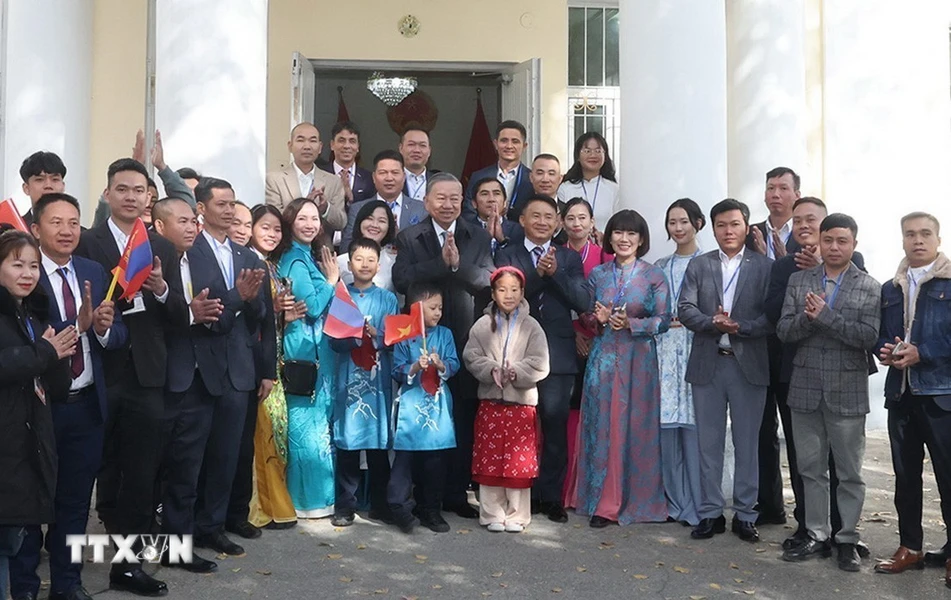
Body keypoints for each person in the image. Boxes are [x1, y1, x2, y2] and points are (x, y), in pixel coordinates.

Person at [75, 159, 188, 592]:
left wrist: (160, 288)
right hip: (98, 373)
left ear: (148, 197)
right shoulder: (88, 242)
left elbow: (180, 316)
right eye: (121, 189)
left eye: (138, 190)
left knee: (141, 474)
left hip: (146, 376)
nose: (130, 196)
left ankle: (127, 566)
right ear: (108, 195)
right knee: (90, 468)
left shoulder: (161, 246)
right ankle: (64, 557)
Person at [11, 194, 129, 600]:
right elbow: (31, 342)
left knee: (76, 504)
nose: (66, 231)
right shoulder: (22, 277)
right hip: (38, 410)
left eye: (74, 222)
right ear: (36, 228)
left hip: (86, 407)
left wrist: (101, 328)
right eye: (56, 222)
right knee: (28, 505)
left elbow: (116, 336)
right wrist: (76, 326)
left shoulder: (93, 271)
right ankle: (25, 586)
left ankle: (67, 583)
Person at [163, 177, 267, 562]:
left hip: (238, 367)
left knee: (227, 456)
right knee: (190, 461)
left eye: (232, 203)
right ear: (200, 209)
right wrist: (238, 298)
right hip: (199, 368)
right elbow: (209, 311)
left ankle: (213, 527)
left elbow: (261, 318)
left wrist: (250, 300)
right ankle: (179, 539)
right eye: (220, 203)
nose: (228, 210)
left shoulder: (247, 256)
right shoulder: (190, 251)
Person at [763, 196, 871, 554]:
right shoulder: (792, 275)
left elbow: (867, 335)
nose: (833, 246)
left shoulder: (864, 278)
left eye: (842, 241)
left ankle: (846, 537)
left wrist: (824, 316)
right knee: (808, 466)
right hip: (803, 381)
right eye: (828, 240)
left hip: (845, 385)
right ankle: (814, 531)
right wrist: (809, 319)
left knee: (847, 469)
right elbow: (780, 324)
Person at [392, 173, 494, 520]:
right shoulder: (410, 236)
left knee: (460, 418)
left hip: (463, 339)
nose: (448, 204)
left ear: (462, 199)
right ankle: (420, 498)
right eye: (441, 198)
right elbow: (402, 279)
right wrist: (441, 264)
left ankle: (454, 493)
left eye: (454, 198)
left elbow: (487, 281)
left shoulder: (477, 236)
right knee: (420, 417)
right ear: (427, 201)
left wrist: (458, 266)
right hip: (420, 341)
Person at [678, 199, 773, 543]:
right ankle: (710, 513)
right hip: (709, 362)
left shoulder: (764, 267)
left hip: (748, 365)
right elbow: (685, 308)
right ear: (712, 227)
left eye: (734, 224)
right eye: (721, 225)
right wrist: (711, 323)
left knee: (747, 443)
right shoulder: (699, 266)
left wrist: (740, 327)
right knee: (709, 444)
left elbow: (771, 318)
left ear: (746, 227)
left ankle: (746, 514)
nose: (728, 231)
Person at [569, 209, 669, 527]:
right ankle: (599, 501)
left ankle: (631, 500)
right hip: (603, 358)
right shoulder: (598, 275)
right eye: (619, 233)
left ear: (641, 239)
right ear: (609, 236)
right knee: (601, 425)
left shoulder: (653, 275)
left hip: (638, 359)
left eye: (631, 234)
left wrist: (633, 323)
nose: (624, 239)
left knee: (634, 427)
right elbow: (585, 314)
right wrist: (595, 320)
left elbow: (664, 320)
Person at [495, 195, 590, 523]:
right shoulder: (506, 252)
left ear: (558, 222)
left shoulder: (568, 257)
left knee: (554, 423)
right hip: (516, 351)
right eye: (535, 216)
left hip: (558, 353)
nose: (542, 222)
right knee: (519, 426)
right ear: (521, 220)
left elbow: (583, 300)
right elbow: (506, 298)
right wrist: (536, 274)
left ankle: (551, 497)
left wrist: (555, 275)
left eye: (549, 217)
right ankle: (521, 494)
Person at [873, 212, 951, 591]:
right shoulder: (891, 287)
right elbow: (881, 335)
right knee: (905, 477)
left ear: (938, 238)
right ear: (902, 240)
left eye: (925, 234)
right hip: (900, 393)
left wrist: (925, 352)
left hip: (940, 394)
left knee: (948, 476)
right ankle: (911, 546)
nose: (917, 240)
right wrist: (885, 351)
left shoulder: (949, 283)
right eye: (910, 235)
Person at [0, 229, 74, 600]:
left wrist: (58, 355)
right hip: (8, 442)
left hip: (28, 436)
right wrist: (46, 352)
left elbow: (50, 379)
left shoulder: (30, 310)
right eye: (17, 265)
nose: (27, 273)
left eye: (33, 265)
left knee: (16, 532)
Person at [463, 266, 550, 533]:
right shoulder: (481, 325)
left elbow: (541, 362)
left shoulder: (532, 326)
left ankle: (517, 514)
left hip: (521, 405)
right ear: (493, 293)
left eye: (514, 290)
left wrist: (517, 372)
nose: (508, 295)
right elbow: (471, 356)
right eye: (502, 290)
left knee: (518, 462)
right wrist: (491, 370)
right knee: (489, 459)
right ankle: (491, 512)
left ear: (523, 293)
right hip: (491, 403)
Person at [275, 198, 340, 519]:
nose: (310, 224)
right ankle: (307, 501)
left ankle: (317, 499)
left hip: (312, 350)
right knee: (306, 429)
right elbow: (312, 306)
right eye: (302, 218)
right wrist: (331, 281)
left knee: (315, 427)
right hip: (303, 352)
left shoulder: (306, 256)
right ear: (290, 222)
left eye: (315, 218)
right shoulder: (296, 261)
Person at [330, 238, 399, 527]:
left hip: (377, 382)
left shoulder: (388, 299)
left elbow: (396, 339)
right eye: (359, 259)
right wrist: (354, 336)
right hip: (349, 380)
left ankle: (380, 504)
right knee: (348, 443)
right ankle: (346, 505)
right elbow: (334, 340)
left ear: (379, 265)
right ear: (349, 263)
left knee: (378, 446)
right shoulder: (342, 296)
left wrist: (376, 336)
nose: (365, 265)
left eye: (371, 260)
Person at [751, 166, 804, 528]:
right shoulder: (750, 231)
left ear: (796, 195)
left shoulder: (810, 234)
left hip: (795, 349)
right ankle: (768, 505)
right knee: (760, 428)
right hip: (757, 343)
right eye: (771, 187)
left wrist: (780, 259)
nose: (775, 194)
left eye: (783, 188)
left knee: (798, 433)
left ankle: (807, 513)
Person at [245, 204, 301, 530]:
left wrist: (283, 313)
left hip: (273, 358)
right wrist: (274, 310)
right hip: (258, 361)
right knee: (264, 429)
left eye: (277, 229)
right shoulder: (253, 264)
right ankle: (261, 506)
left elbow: (274, 315)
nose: (271, 234)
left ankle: (273, 502)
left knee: (275, 431)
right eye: (264, 227)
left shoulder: (273, 266)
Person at [388, 282, 461, 533]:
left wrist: (441, 365)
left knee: (435, 458)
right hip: (411, 402)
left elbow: (454, 363)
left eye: (440, 308)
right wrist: (415, 367)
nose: (438, 313)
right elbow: (396, 369)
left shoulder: (445, 335)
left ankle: (431, 509)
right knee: (405, 458)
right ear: (416, 308)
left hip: (437, 404)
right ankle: (399, 506)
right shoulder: (405, 335)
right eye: (432, 308)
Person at [654, 198, 706, 526]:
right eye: (672, 222)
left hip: (696, 348)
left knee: (696, 428)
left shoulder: (709, 263)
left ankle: (700, 506)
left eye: (684, 221)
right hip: (662, 351)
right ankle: (674, 503)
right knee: (667, 430)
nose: (678, 228)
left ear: (697, 223)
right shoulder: (660, 266)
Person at [560, 197, 611, 506]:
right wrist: (573, 334)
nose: (577, 223)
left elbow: (607, 299)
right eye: (571, 218)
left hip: (600, 341)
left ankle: (594, 486)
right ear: (561, 222)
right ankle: (567, 486)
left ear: (593, 222)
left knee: (597, 416)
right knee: (567, 414)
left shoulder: (604, 256)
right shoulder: (558, 255)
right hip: (566, 341)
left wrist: (593, 332)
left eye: (583, 218)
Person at [92, 130, 197, 228]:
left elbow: (188, 206)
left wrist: (162, 167)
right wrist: (132, 170)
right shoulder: (106, 230)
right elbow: (106, 205)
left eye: (153, 200)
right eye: (123, 190)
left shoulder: (160, 238)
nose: (149, 206)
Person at [265, 122, 346, 238]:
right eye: (300, 140)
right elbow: (273, 218)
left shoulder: (333, 181)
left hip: (320, 250)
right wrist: (301, 207)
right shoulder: (275, 179)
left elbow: (341, 222)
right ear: (290, 146)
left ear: (320, 147)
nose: (307, 146)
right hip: (285, 247)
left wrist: (325, 208)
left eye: (312, 141)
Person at [340, 150, 427, 252]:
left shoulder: (421, 209)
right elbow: (345, 248)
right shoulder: (358, 208)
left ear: (404, 177)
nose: (389, 178)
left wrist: (397, 235)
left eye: (395, 173)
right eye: (383, 173)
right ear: (373, 177)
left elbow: (425, 249)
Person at [465, 120, 534, 222]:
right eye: (504, 140)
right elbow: (468, 212)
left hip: (521, 234)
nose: (509, 146)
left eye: (515, 141)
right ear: (496, 144)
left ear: (524, 146)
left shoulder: (531, 179)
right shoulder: (478, 176)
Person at [557, 132, 619, 232]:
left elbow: (618, 223)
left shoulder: (614, 189)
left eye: (598, 151)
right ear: (577, 155)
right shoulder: (565, 188)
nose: (593, 155)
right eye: (587, 151)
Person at [337, 200, 398, 293]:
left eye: (382, 221)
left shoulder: (394, 262)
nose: (374, 225)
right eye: (369, 218)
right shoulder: (341, 262)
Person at [321, 121, 376, 206]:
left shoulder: (369, 179)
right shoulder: (320, 174)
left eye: (352, 141)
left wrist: (351, 199)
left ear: (358, 147)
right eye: (341, 140)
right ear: (332, 145)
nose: (347, 146)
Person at [468, 177, 523, 255]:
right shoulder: (465, 229)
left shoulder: (518, 230)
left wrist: (502, 240)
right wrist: (485, 239)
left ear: (505, 203)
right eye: (484, 194)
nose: (491, 199)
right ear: (474, 203)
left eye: (496, 193)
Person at [18, 151, 67, 227]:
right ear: (26, 188)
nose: (48, 185)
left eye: (55, 179)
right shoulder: (13, 231)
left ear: (63, 186)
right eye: (40, 180)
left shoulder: (81, 235)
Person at [400, 128, 439, 201]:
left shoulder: (439, 181)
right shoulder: (391, 179)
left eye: (422, 145)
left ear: (429, 151)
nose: (417, 150)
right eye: (411, 144)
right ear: (401, 148)